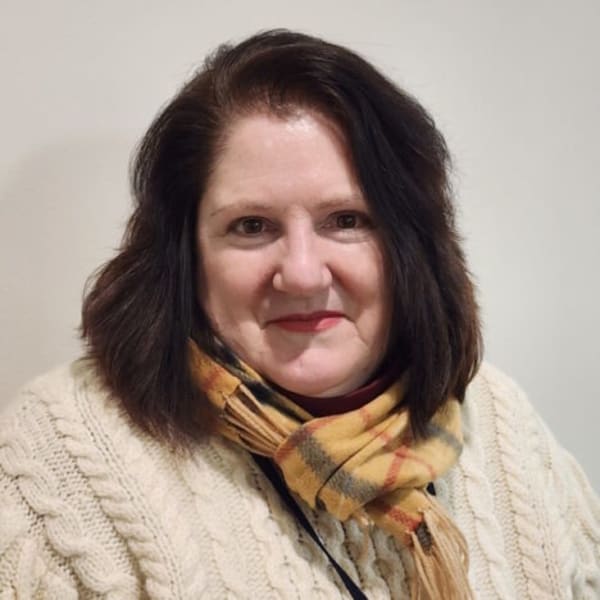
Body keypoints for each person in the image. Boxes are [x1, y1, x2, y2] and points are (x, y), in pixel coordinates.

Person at [0, 29, 598, 599]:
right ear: (186, 255)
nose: (304, 274)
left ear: (410, 243)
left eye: (347, 220)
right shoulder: (62, 457)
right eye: (251, 226)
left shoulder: (501, 419)